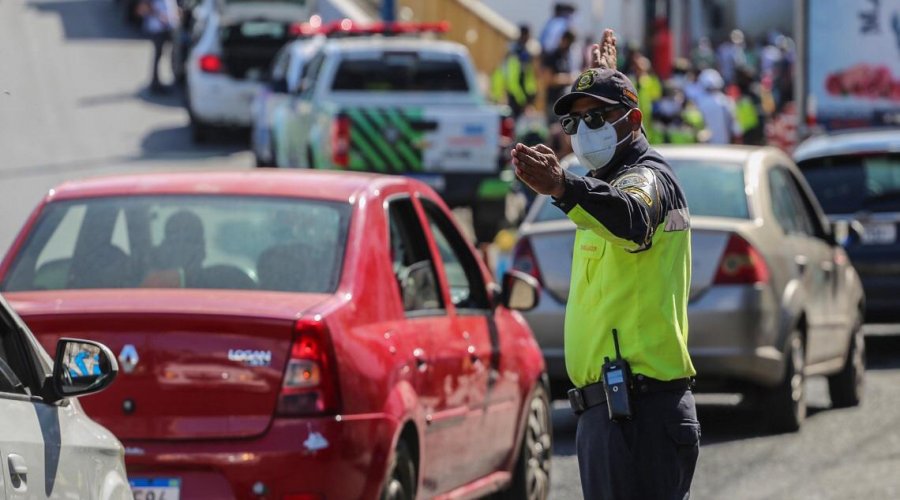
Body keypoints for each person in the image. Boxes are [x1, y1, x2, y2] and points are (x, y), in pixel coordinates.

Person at [511, 29, 699, 500]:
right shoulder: (613, 177)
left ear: (631, 120)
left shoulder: (648, 179)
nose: (584, 131)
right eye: (576, 122)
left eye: (597, 117)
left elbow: (633, 214)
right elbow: (622, 175)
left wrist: (563, 188)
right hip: (611, 416)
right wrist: (610, 77)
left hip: (639, 414)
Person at [490, 24, 538, 119]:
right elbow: (512, 81)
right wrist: (522, 99)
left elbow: (528, 77)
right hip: (516, 96)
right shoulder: (514, 52)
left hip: (521, 96)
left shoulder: (525, 52)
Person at [140, 0, 180, 93]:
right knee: (158, 56)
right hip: (159, 28)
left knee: (172, 55)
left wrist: (176, 13)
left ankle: (172, 80)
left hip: (170, 27)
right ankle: (155, 83)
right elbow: (145, 6)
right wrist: (160, 16)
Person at [694, 68, 739, 144]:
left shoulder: (699, 103)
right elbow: (736, 129)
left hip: (705, 148)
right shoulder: (726, 101)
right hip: (725, 146)